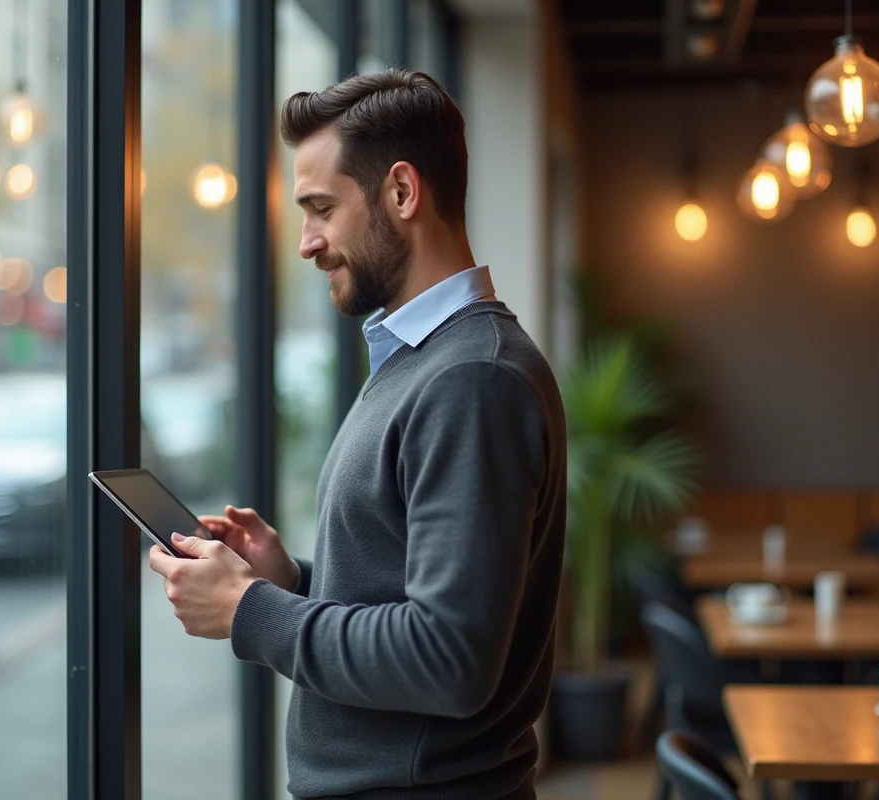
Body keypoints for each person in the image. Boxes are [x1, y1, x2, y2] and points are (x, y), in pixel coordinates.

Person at [149, 68, 566, 800]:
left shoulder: (471, 380)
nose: (307, 243)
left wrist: (252, 610)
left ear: (401, 193)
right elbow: (413, 595)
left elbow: (450, 658)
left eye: (320, 210)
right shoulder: (428, 361)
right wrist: (294, 583)